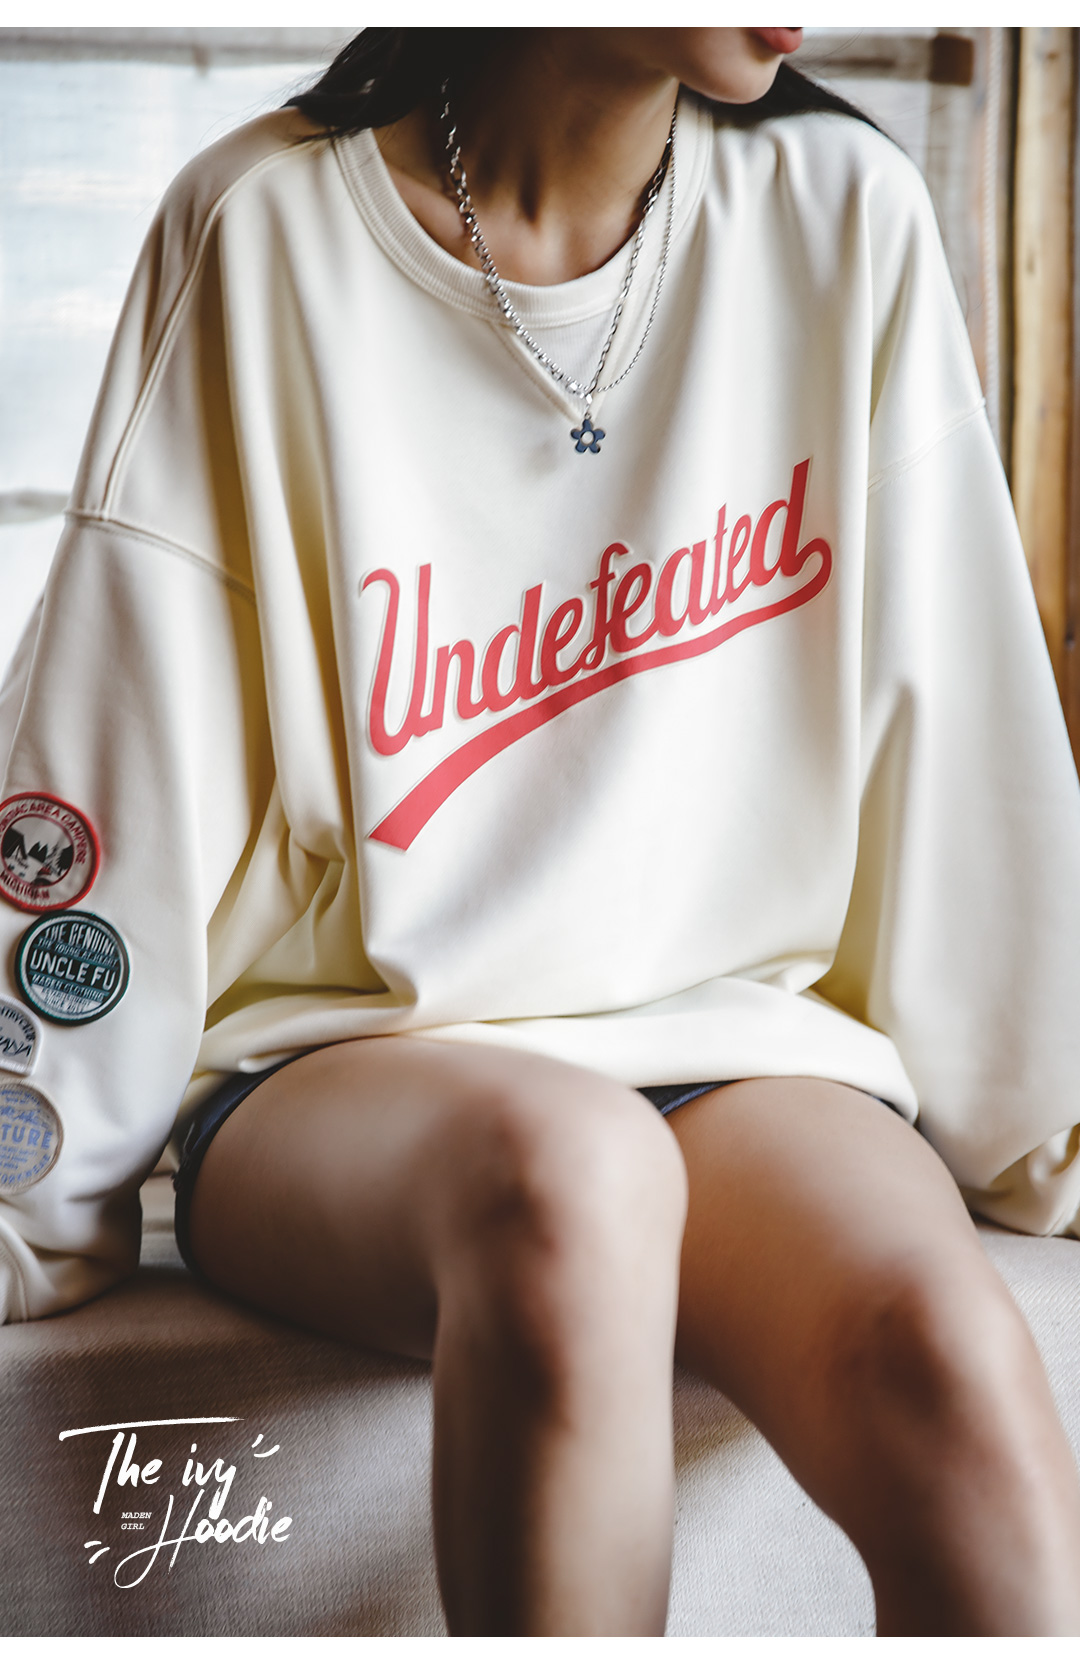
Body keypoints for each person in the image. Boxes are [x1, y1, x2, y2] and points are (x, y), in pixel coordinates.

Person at [1, 25, 1080, 1636]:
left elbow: (960, 729)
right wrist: (25, 1176)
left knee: (951, 1356)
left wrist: (1050, 1125)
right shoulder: (263, 227)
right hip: (340, 1065)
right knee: (575, 1177)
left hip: (735, 1053)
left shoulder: (846, 212)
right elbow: (121, 745)